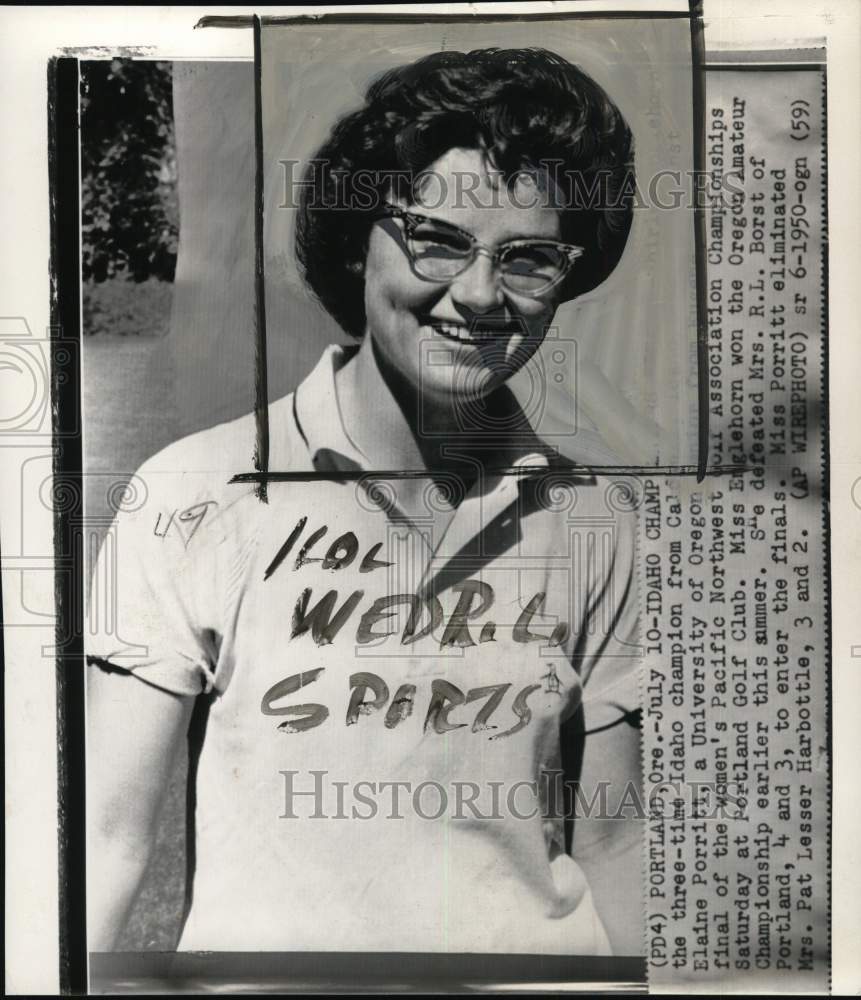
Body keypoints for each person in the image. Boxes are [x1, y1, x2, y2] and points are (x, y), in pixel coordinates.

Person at [87, 47, 643, 958]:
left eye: (529, 258)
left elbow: (615, 841)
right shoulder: (189, 494)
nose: (477, 294)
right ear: (357, 240)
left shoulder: (595, 522)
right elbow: (104, 842)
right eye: (437, 238)